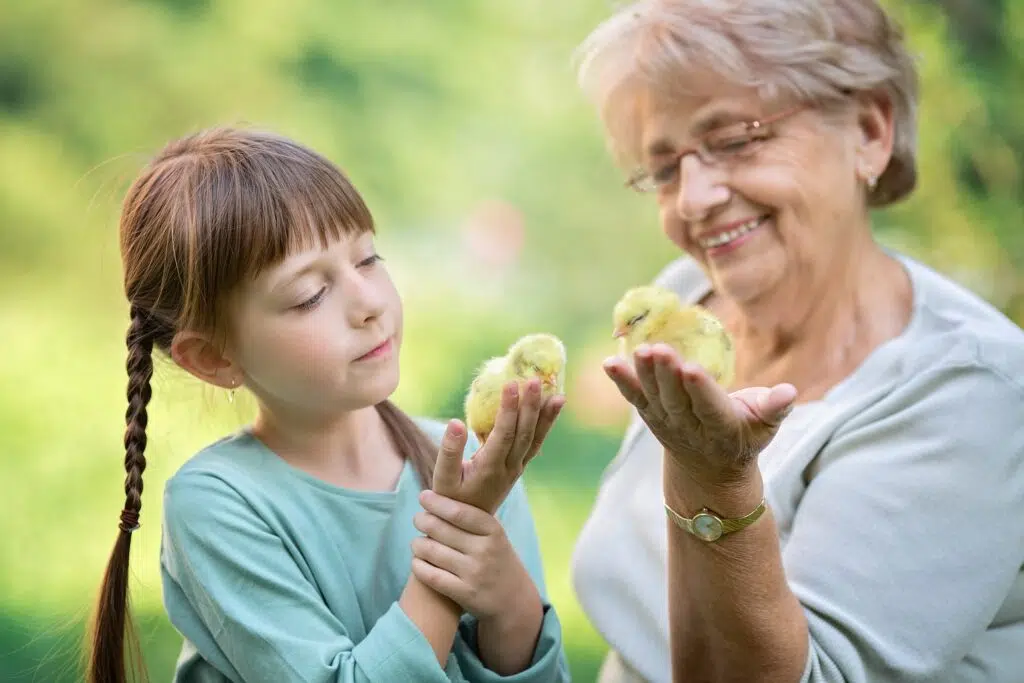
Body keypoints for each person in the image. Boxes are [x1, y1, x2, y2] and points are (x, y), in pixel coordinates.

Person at [568, 1, 1024, 682]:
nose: (692, 198)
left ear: (870, 132)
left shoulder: (975, 392)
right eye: (664, 169)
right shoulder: (690, 300)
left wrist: (713, 483)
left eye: (736, 139)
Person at [86, 127, 571, 683]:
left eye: (368, 259)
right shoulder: (219, 504)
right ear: (215, 358)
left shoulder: (468, 463)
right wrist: (457, 542)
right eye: (309, 295)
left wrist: (510, 604)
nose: (368, 303)